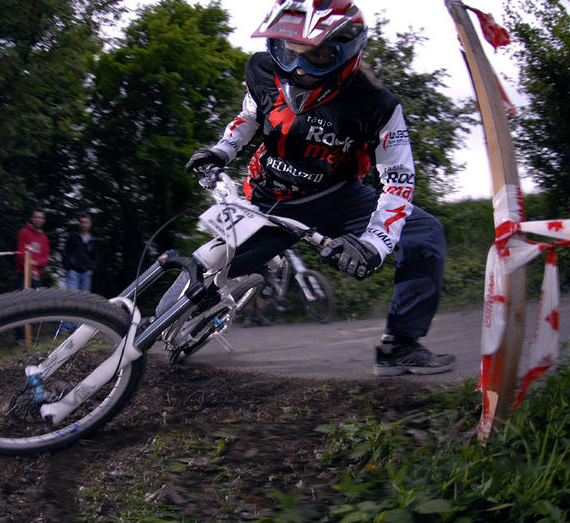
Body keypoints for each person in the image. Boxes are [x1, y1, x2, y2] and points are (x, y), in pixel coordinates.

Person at [184, 0, 454, 376]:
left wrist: (375, 243)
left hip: (339, 199)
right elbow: (249, 116)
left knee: (423, 232)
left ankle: (401, 345)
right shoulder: (263, 71)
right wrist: (221, 151)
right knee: (213, 269)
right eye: (288, 51)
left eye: (317, 56)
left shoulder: (377, 105)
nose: (299, 68)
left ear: (347, 53)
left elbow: (398, 179)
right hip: (269, 197)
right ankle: (175, 320)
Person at [16, 209, 50, 290]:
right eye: (35, 217)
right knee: (23, 297)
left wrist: (36, 263)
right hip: (24, 275)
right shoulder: (24, 232)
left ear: (43, 220)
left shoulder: (44, 238)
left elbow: (45, 259)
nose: (38, 220)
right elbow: (21, 254)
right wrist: (32, 269)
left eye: (40, 217)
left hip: (38, 277)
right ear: (31, 218)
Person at [63, 214, 96, 292]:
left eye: (86, 222)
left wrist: (91, 269)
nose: (84, 225)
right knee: (72, 295)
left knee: (84, 297)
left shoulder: (93, 240)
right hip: (73, 271)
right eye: (82, 222)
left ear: (90, 224)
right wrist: (68, 267)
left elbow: (95, 256)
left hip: (86, 273)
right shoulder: (73, 237)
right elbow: (66, 252)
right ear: (79, 224)